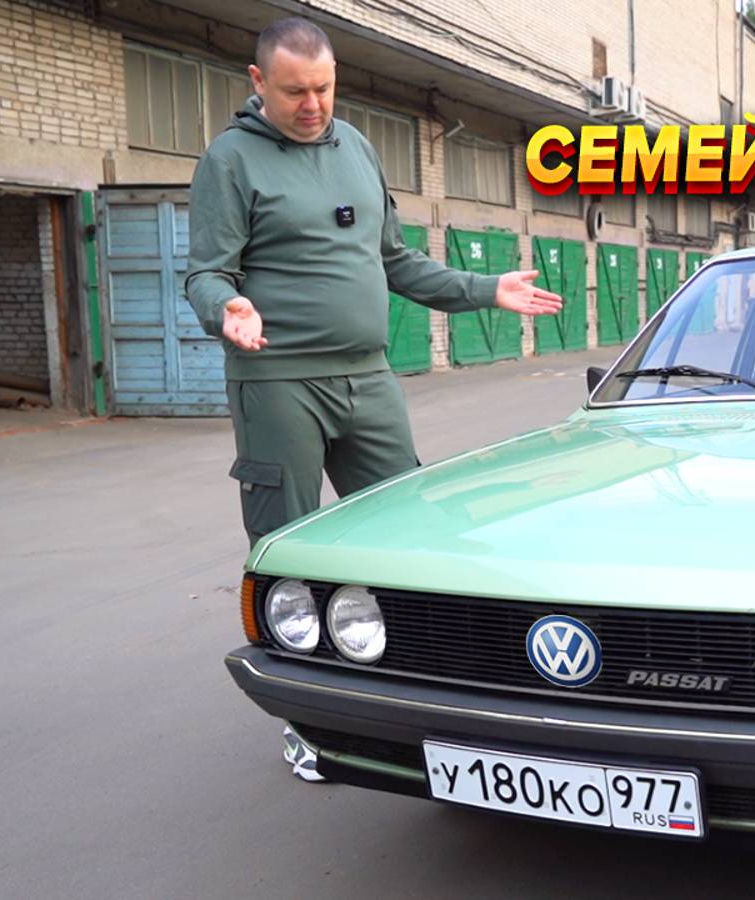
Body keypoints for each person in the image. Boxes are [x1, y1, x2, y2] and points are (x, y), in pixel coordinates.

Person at [186, 17, 562, 782]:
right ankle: (308, 719)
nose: (312, 105)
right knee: (290, 546)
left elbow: (397, 261)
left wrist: (485, 288)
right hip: (278, 380)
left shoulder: (356, 148)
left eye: (324, 88)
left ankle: (427, 689)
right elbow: (205, 273)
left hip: (368, 376)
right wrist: (226, 308)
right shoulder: (231, 160)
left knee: (410, 529)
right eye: (295, 91)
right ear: (258, 83)